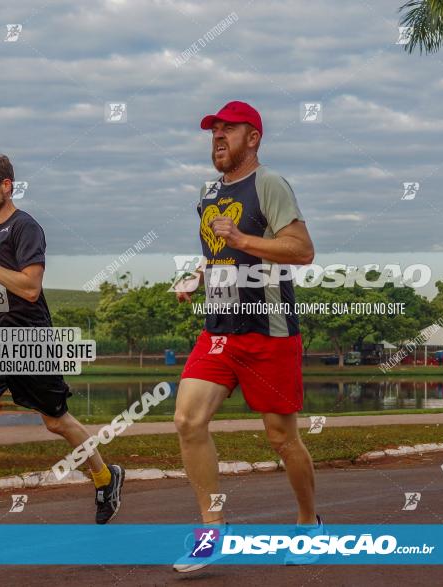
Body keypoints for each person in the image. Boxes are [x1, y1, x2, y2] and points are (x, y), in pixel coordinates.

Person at [0, 153, 124, 542]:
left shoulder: (26, 228)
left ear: (6, 186)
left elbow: (30, 288)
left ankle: (105, 476)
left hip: (29, 340)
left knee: (55, 421)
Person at [171, 102, 321, 572]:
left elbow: (302, 250)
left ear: (252, 138)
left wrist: (242, 240)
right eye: (213, 131)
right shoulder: (208, 191)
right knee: (188, 421)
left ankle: (307, 521)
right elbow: (218, 251)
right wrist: (198, 274)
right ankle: (211, 529)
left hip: (268, 332)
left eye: (228, 130)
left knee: (281, 438)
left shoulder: (269, 185)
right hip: (219, 330)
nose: (218, 137)